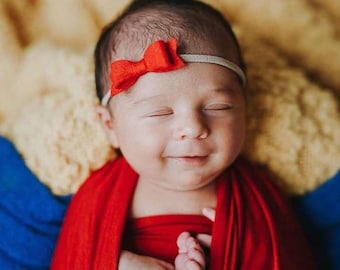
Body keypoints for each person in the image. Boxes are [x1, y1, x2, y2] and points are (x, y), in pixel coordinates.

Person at [51, 0, 316, 269]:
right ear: (110, 126)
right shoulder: (96, 197)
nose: (193, 128)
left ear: (245, 108)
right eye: (160, 112)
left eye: (217, 107)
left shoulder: (260, 201)